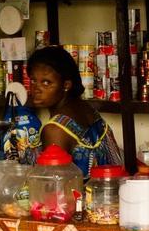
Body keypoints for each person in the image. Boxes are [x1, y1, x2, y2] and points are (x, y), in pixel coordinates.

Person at [26, 46, 122, 177]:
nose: (36, 88)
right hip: (107, 192)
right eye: (33, 80)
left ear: (66, 85)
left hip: (79, 196)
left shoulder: (55, 130)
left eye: (46, 82)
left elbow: (54, 186)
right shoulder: (86, 109)